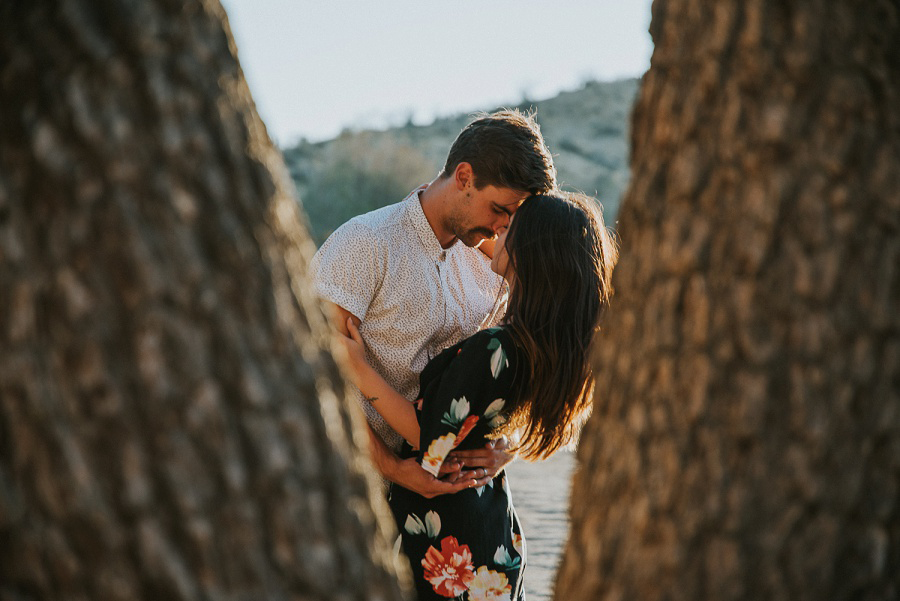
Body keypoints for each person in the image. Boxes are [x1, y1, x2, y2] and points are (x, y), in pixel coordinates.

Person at [339, 192, 618, 601]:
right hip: (484, 534)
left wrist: (358, 369)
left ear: (530, 252)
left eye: (509, 229)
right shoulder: (538, 345)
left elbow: (426, 436)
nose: (497, 232)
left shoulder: (498, 348)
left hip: (456, 553)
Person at [311, 110, 557, 497]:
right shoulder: (364, 242)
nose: (501, 227)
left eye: (513, 217)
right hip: (341, 484)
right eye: (499, 210)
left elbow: (503, 381)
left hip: (436, 506)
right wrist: (393, 468)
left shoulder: (495, 269)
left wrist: (501, 444)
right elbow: (316, 369)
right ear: (464, 178)